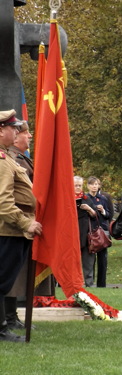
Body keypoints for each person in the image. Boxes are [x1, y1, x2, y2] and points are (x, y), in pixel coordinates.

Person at [0, 109, 42, 342]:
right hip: (8, 230)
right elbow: (4, 203)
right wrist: (26, 223)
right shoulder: (2, 161)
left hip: (13, 230)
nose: (17, 131)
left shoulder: (6, 159)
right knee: (2, 281)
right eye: (12, 127)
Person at [86, 176, 111, 288]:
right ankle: (89, 283)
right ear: (88, 186)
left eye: (96, 184)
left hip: (102, 232)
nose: (94, 186)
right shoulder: (85, 198)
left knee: (103, 259)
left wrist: (103, 211)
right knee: (90, 259)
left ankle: (102, 284)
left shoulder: (104, 199)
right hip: (90, 231)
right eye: (92, 184)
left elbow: (109, 215)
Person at [74, 176, 98, 287]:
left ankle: (89, 283)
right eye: (75, 185)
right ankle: (72, 282)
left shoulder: (86, 198)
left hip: (85, 233)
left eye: (79, 185)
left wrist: (88, 208)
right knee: (71, 260)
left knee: (88, 260)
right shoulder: (66, 197)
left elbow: (95, 215)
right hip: (72, 233)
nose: (78, 188)